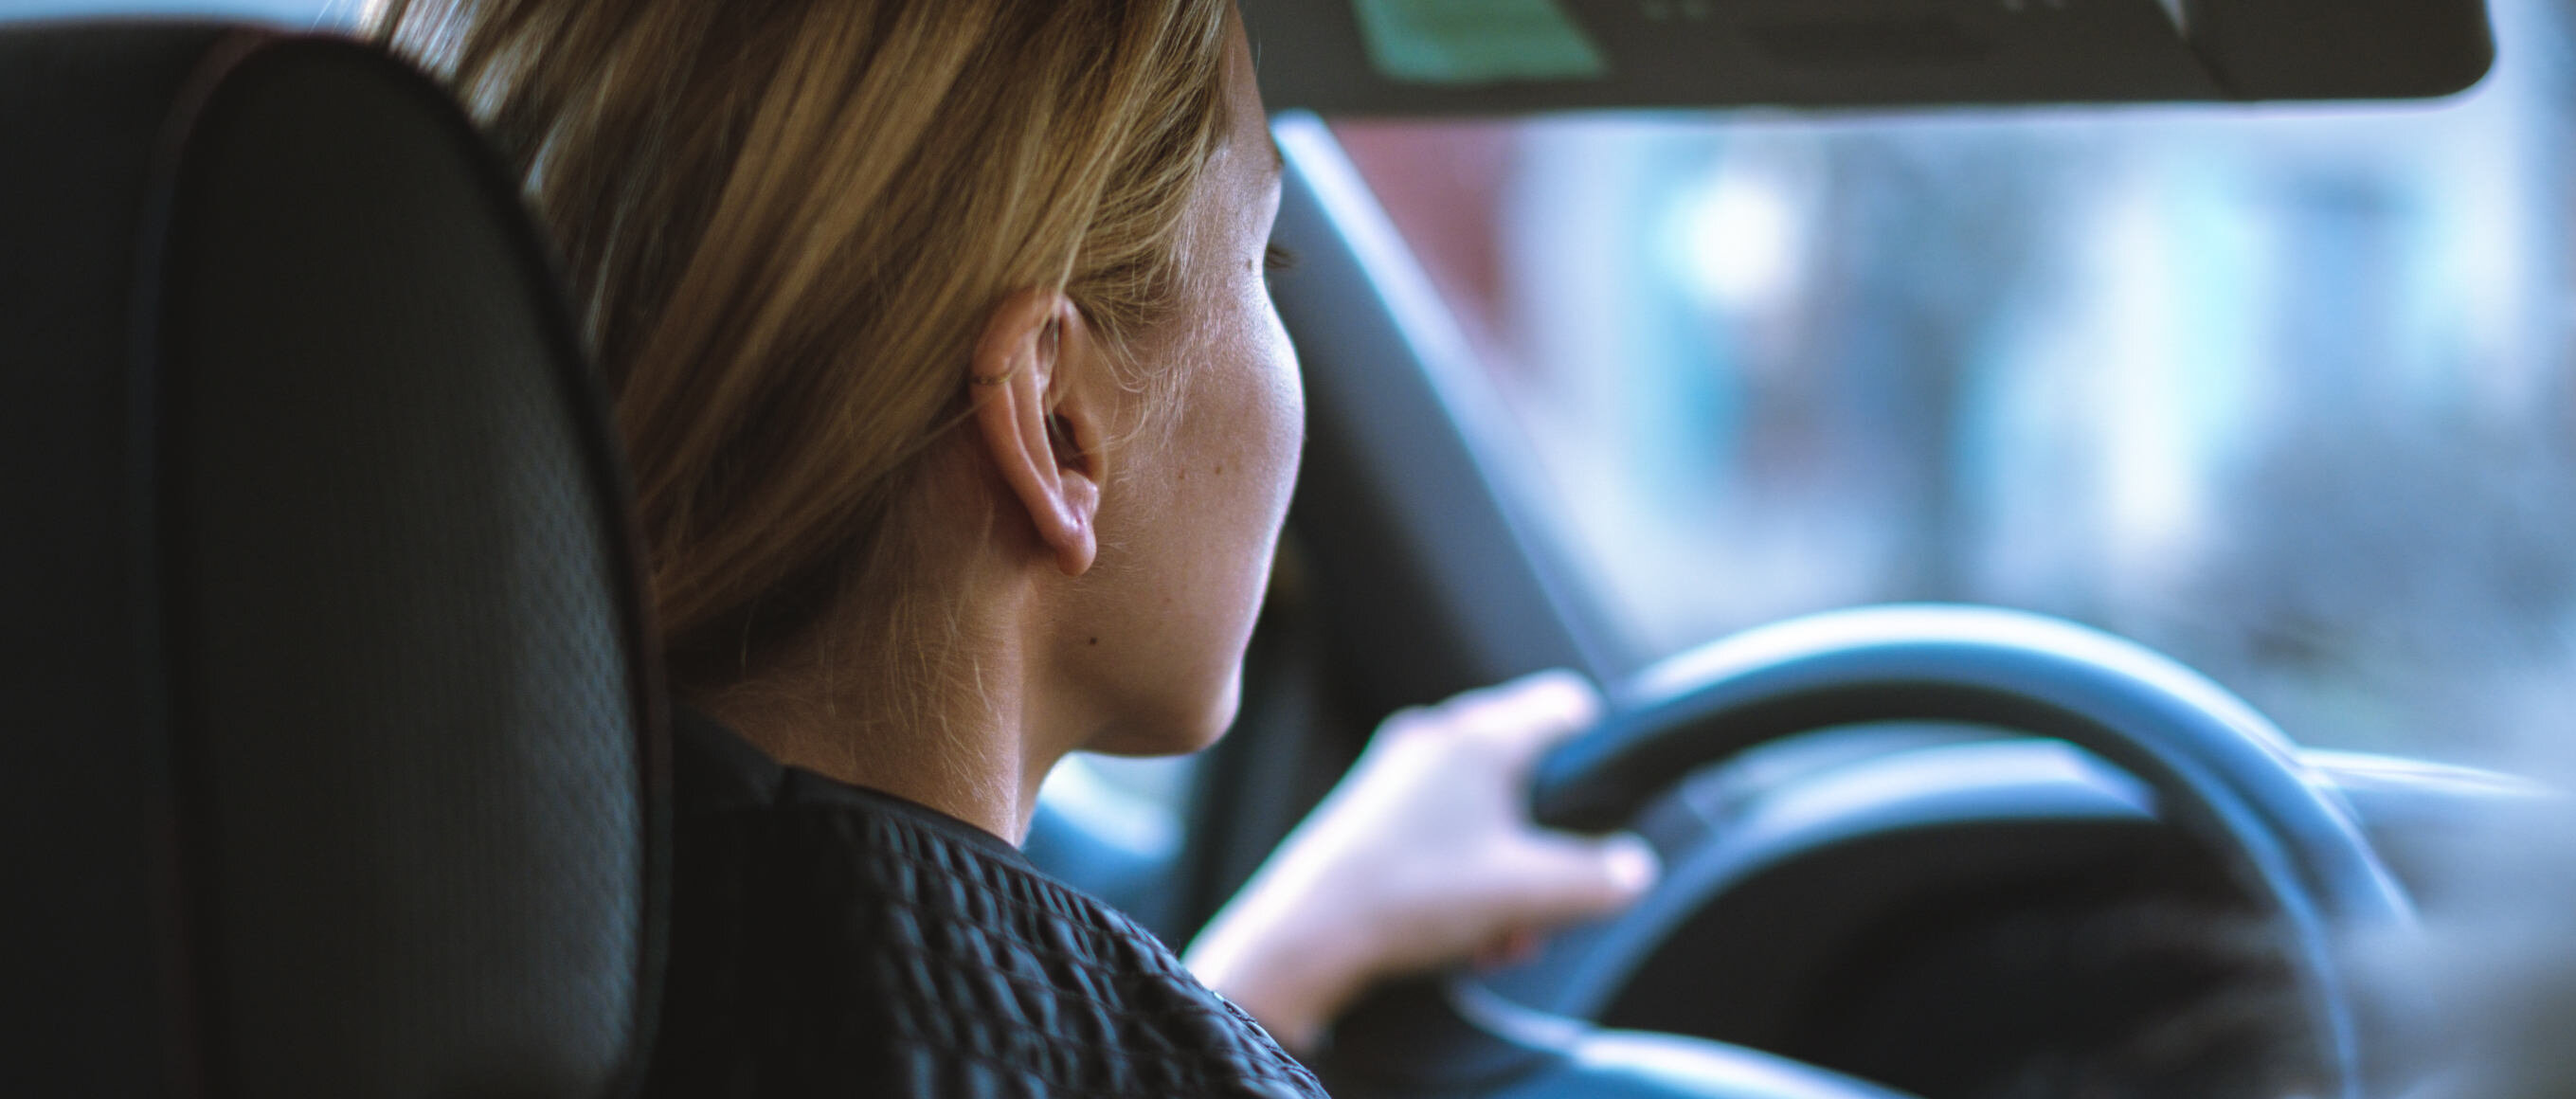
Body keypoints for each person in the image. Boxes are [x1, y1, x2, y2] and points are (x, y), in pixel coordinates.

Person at [369, 0, 1660, 1093]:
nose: (1281, 322)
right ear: (1057, 422)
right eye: (1268, 258)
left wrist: (1267, 968)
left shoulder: (380, 949)